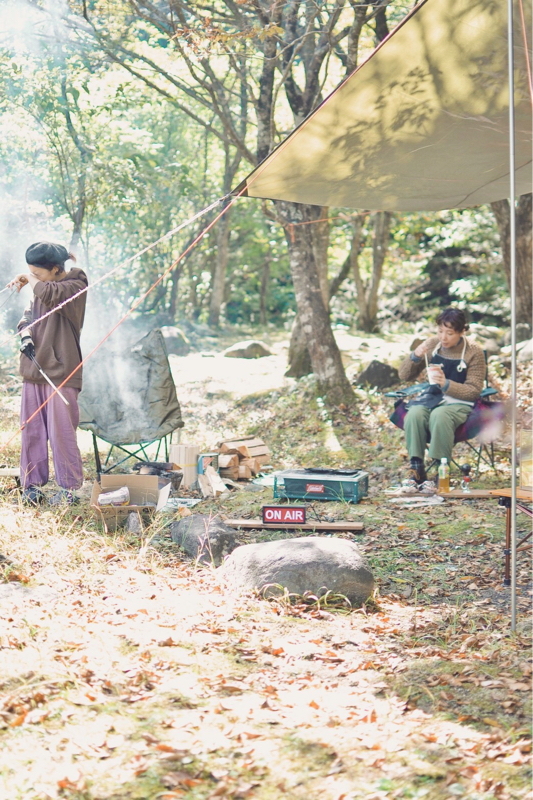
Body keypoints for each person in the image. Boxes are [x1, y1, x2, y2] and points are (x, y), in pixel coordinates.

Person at [8, 242, 88, 505]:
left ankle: (69, 490)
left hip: (61, 371)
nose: (34, 277)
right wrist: (26, 334)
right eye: (32, 272)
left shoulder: (75, 283)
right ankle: (32, 486)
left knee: (62, 432)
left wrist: (29, 279)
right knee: (31, 431)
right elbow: (28, 316)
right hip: (34, 369)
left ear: (55, 269)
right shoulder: (41, 285)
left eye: (38, 273)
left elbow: (53, 295)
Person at [398, 307, 485, 484]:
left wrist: (446, 384)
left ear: (462, 331)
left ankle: (441, 470)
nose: (443, 337)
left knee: (440, 415)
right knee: (414, 414)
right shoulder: (433, 344)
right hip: (431, 397)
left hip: (460, 402)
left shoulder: (473, 351)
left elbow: (473, 390)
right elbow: (404, 375)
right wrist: (415, 356)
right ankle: (416, 468)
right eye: (440, 331)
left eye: (450, 333)